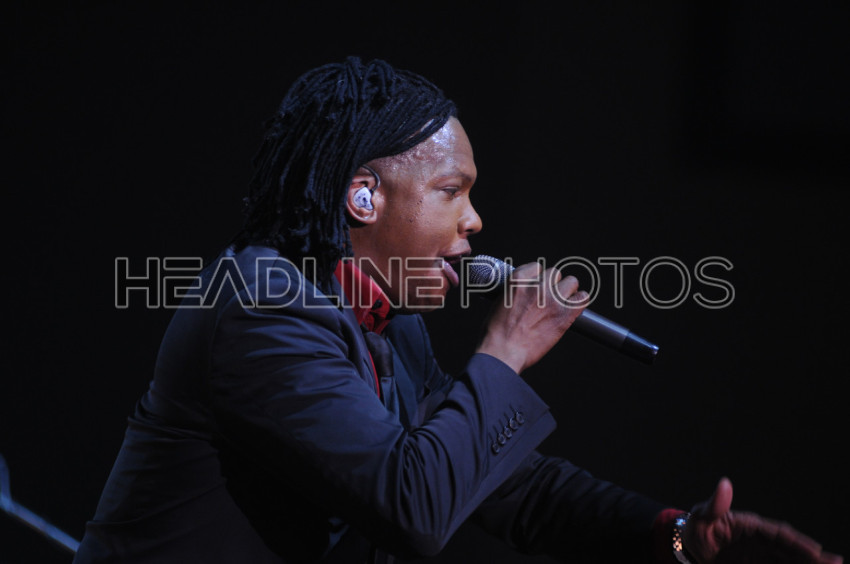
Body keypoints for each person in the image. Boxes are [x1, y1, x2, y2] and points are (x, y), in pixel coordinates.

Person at [74, 57, 842, 564]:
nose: (474, 220)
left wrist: (675, 535)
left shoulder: (388, 321)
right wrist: (505, 349)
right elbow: (411, 505)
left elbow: (502, 483)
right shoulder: (262, 307)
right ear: (364, 195)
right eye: (452, 191)